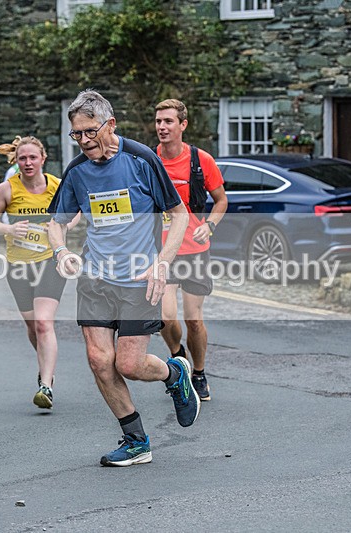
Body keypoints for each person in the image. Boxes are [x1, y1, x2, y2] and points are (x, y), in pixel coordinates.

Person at [47, 89, 199, 467]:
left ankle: (174, 372)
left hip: (139, 278)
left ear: (110, 125)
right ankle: (136, 440)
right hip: (96, 279)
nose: (83, 141)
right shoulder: (77, 171)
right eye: (76, 134)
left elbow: (178, 214)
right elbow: (57, 221)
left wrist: (162, 262)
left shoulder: (142, 159)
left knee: (129, 365)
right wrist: (61, 251)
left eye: (89, 131)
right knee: (100, 361)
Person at [0, 136, 80, 410]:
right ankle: (44, 368)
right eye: (23, 158)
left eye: (32, 158)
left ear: (42, 159)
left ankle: (46, 385)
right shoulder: (6, 190)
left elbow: (75, 213)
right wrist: (9, 229)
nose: (28, 163)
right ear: (16, 160)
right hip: (18, 265)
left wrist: (61, 226)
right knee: (31, 326)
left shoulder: (57, 186)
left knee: (43, 323)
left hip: (50, 261)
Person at [155, 99, 228, 402]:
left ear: (183, 125)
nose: (162, 127)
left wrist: (209, 225)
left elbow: (221, 201)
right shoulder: (149, 160)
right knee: (165, 316)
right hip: (162, 252)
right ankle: (178, 355)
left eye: (168, 121)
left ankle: (198, 372)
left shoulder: (201, 160)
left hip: (196, 250)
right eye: (158, 121)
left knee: (193, 319)